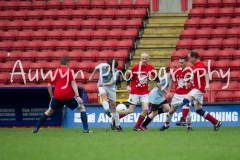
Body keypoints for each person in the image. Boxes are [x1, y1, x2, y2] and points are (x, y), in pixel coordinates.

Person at [32, 56, 93, 133]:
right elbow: (73, 83)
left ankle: (36, 128)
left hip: (57, 96)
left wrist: (52, 97)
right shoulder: (70, 71)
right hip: (68, 95)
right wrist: (77, 96)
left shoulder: (55, 72)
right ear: (68, 63)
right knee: (82, 108)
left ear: (60, 63)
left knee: (49, 111)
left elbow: (49, 86)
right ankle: (85, 129)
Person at [180, 50, 222, 131]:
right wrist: (190, 82)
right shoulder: (196, 65)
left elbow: (206, 74)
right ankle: (216, 122)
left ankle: (183, 119)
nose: (189, 60)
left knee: (185, 100)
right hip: (196, 88)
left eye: (190, 58)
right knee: (199, 110)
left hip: (199, 89)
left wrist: (207, 84)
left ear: (194, 58)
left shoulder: (200, 65)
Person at [118, 53, 159, 131]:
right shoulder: (135, 67)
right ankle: (116, 119)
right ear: (140, 58)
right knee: (130, 110)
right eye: (142, 58)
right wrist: (128, 86)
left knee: (146, 109)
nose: (144, 60)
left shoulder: (150, 67)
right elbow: (128, 77)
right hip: (135, 91)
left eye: (145, 59)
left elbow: (156, 76)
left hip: (144, 92)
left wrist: (158, 83)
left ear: (148, 59)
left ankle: (136, 126)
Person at [160, 56, 193, 131]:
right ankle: (166, 125)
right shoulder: (176, 71)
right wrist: (168, 91)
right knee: (171, 111)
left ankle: (189, 126)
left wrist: (190, 84)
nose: (181, 64)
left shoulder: (190, 70)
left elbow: (194, 81)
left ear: (186, 62)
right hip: (177, 94)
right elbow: (172, 81)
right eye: (180, 63)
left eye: (182, 63)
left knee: (187, 110)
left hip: (187, 94)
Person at [89, 58, 123, 132]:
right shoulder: (102, 66)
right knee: (104, 96)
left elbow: (111, 82)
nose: (112, 70)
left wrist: (104, 84)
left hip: (111, 87)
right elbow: (96, 68)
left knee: (113, 105)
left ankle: (117, 125)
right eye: (111, 68)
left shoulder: (116, 72)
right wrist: (92, 76)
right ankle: (107, 110)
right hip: (101, 86)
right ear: (108, 65)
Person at [140, 67, 176, 131]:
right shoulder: (165, 77)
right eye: (173, 71)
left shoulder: (171, 78)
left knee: (168, 109)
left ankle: (150, 112)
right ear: (170, 71)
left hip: (160, 96)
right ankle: (143, 125)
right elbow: (158, 84)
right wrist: (167, 92)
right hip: (155, 96)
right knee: (155, 113)